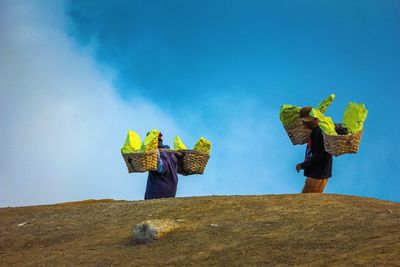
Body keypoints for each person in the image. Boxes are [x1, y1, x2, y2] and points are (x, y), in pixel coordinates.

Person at [295, 107, 333, 193]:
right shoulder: (316, 132)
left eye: (306, 121)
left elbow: (318, 156)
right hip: (317, 173)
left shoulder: (318, 133)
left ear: (315, 119)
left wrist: (302, 165)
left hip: (318, 175)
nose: (304, 124)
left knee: (306, 201)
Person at [144, 132, 179, 200]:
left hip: (157, 193)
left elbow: (160, 168)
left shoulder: (160, 153)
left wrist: (156, 156)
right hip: (171, 192)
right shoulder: (170, 153)